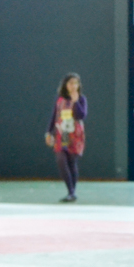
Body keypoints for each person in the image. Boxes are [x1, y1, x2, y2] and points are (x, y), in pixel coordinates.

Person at [45, 73, 87, 203]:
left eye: (76, 83)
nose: (73, 86)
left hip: (75, 134)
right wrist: (48, 132)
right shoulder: (59, 99)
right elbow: (54, 116)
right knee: (61, 160)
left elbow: (81, 115)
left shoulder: (81, 99)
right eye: (71, 83)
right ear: (65, 85)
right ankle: (71, 191)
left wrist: (75, 102)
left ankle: (71, 193)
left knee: (71, 162)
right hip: (61, 134)